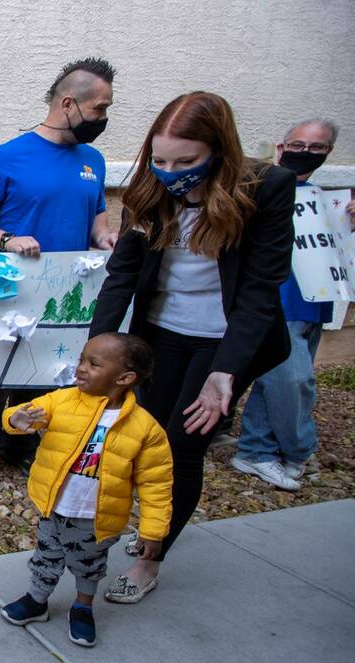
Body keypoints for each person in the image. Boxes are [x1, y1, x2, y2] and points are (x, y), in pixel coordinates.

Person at [89, 92, 296, 603]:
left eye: (185, 162)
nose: (169, 171)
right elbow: (123, 274)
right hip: (160, 334)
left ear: (219, 152)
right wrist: (98, 343)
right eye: (160, 160)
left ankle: (149, 557)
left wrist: (225, 372)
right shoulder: (146, 188)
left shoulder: (267, 188)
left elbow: (259, 292)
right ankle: (137, 521)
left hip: (224, 340)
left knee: (182, 448)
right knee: (145, 439)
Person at [0, 57, 119, 489]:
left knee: (47, 371)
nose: (103, 118)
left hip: (67, 289)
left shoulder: (94, 161)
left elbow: (97, 219)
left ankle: (21, 446)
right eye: (99, 108)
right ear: (69, 103)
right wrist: (8, 238)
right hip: (11, 287)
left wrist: (105, 239)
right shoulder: (10, 156)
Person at [0, 333, 172, 647]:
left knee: (89, 565)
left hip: (97, 515)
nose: (80, 368)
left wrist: (153, 530)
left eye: (93, 363)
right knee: (46, 556)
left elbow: (156, 483)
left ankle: (82, 607)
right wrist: (16, 417)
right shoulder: (62, 401)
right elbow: (25, 412)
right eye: (81, 359)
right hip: (55, 504)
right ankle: (37, 600)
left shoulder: (145, 428)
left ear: (124, 377)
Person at [231, 119, 354, 490]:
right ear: (282, 148)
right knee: (294, 381)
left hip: (314, 301)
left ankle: (255, 449)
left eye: (317, 148)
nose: (306, 153)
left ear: (329, 152)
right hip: (275, 304)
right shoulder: (257, 189)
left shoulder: (324, 199)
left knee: (275, 382)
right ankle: (299, 449)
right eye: (298, 145)